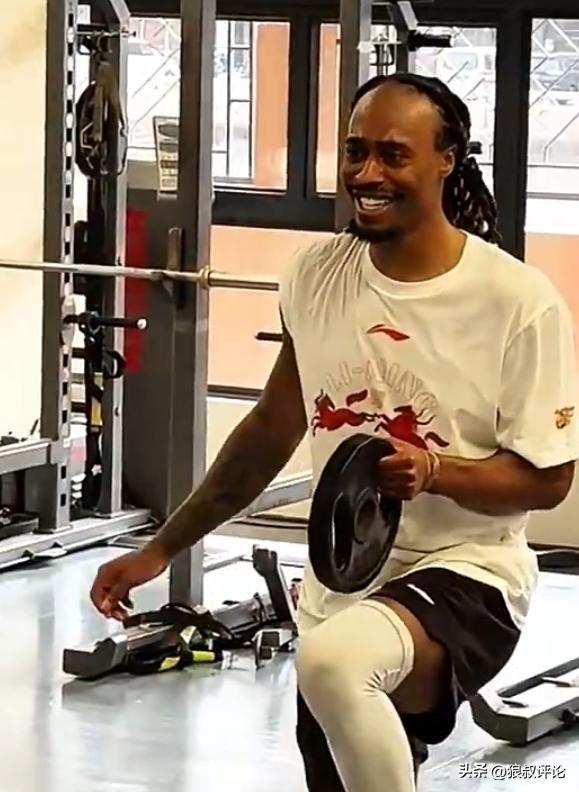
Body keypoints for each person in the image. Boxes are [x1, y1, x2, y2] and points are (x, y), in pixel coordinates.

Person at [90, 73, 579, 792]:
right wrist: (162, 547)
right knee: (343, 726)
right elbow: (269, 430)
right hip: (341, 579)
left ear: (447, 160)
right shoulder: (317, 275)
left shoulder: (517, 302)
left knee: (336, 664)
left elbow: (549, 479)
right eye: (355, 151)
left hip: (468, 575)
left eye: (393, 154)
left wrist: (435, 472)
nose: (367, 173)